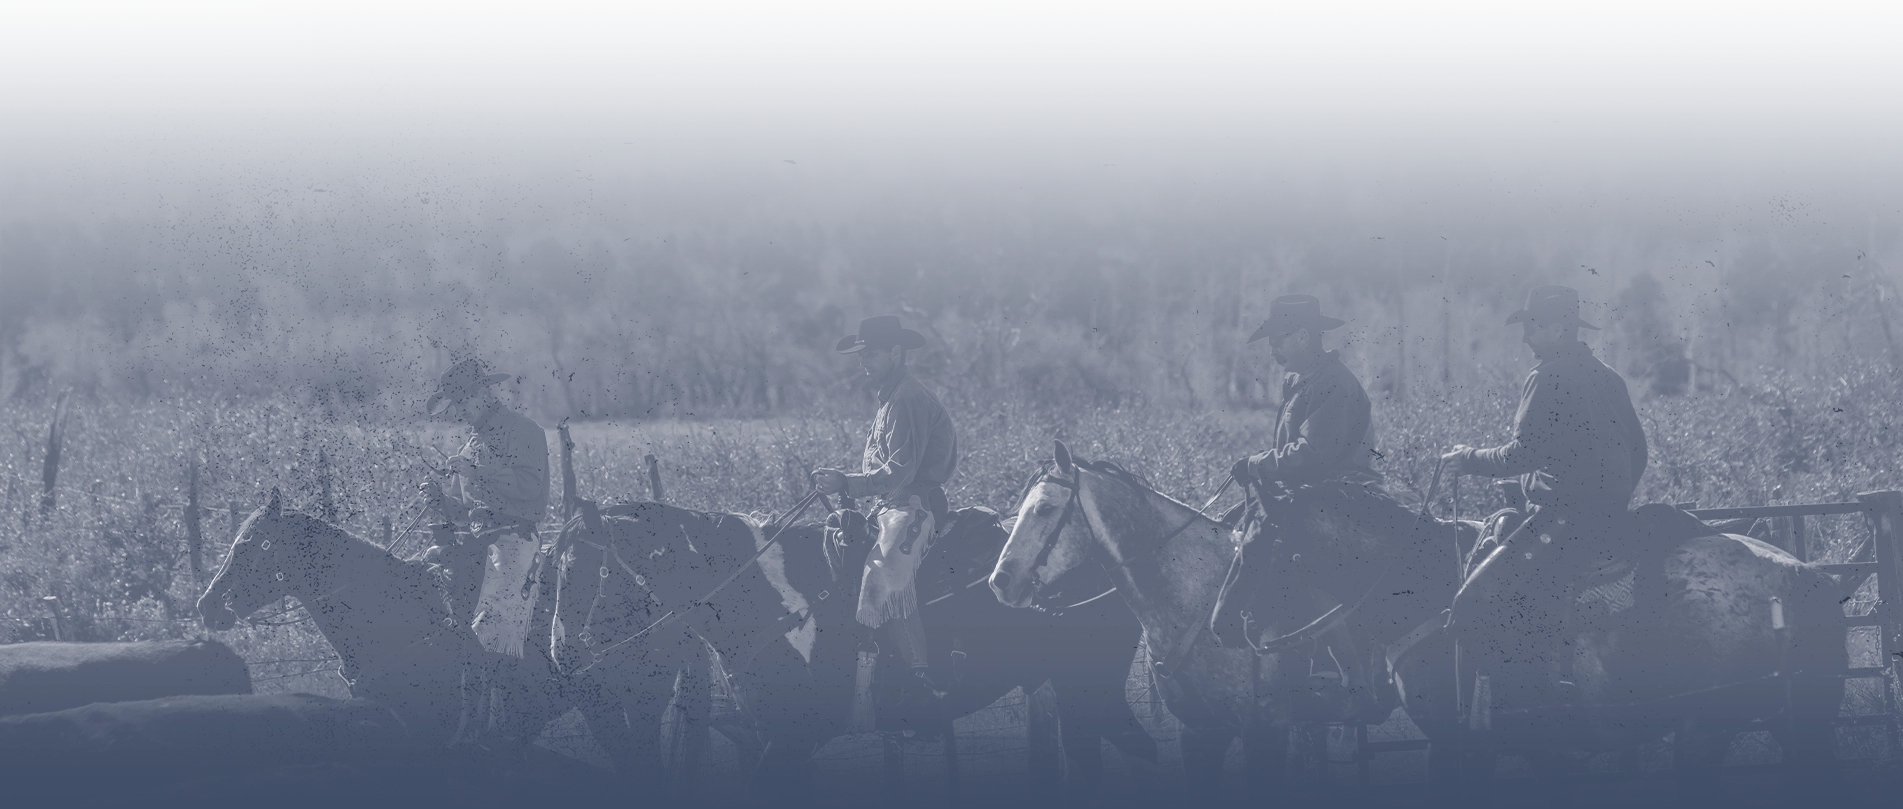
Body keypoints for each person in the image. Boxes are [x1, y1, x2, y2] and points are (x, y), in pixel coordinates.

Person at [1442, 285, 1648, 705]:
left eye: (1532, 327)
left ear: (1556, 329)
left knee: (1473, 601)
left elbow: (1523, 453)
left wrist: (1468, 458)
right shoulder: (1609, 376)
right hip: (1610, 515)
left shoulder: (1546, 376)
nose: (1525, 338)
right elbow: (1639, 449)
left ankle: (1503, 703)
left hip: (1563, 517)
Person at [1209, 294, 1386, 716]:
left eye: (1279, 338)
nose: (1272, 348)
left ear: (1305, 336)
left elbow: (1312, 455)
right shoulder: (1302, 382)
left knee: (1298, 559)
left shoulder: (1333, 384)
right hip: (1311, 494)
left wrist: (1254, 465)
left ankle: (1346, 672)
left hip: (1343, 494)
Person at [811, 315, 960, 723]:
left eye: (871, 355)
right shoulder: (890, 397)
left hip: (916, 504)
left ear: (895, 353)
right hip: (892, 504)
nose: (864, 363)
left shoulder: (907, 398)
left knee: (884, 574)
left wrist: (846, 481)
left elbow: (901, 471)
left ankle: (920, 680)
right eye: (861, 356)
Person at [418, 358, 551, 658]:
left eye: (464, 401)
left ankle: (504, 672)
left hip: (514, 541)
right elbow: (465, 512)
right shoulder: (470, 446)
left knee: (493, 629)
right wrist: (441, 501)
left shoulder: (524, 430)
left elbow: (529, 485)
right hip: (476, 544)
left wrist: (477, 472)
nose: (460, 411)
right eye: (455, 404)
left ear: (484, 394)